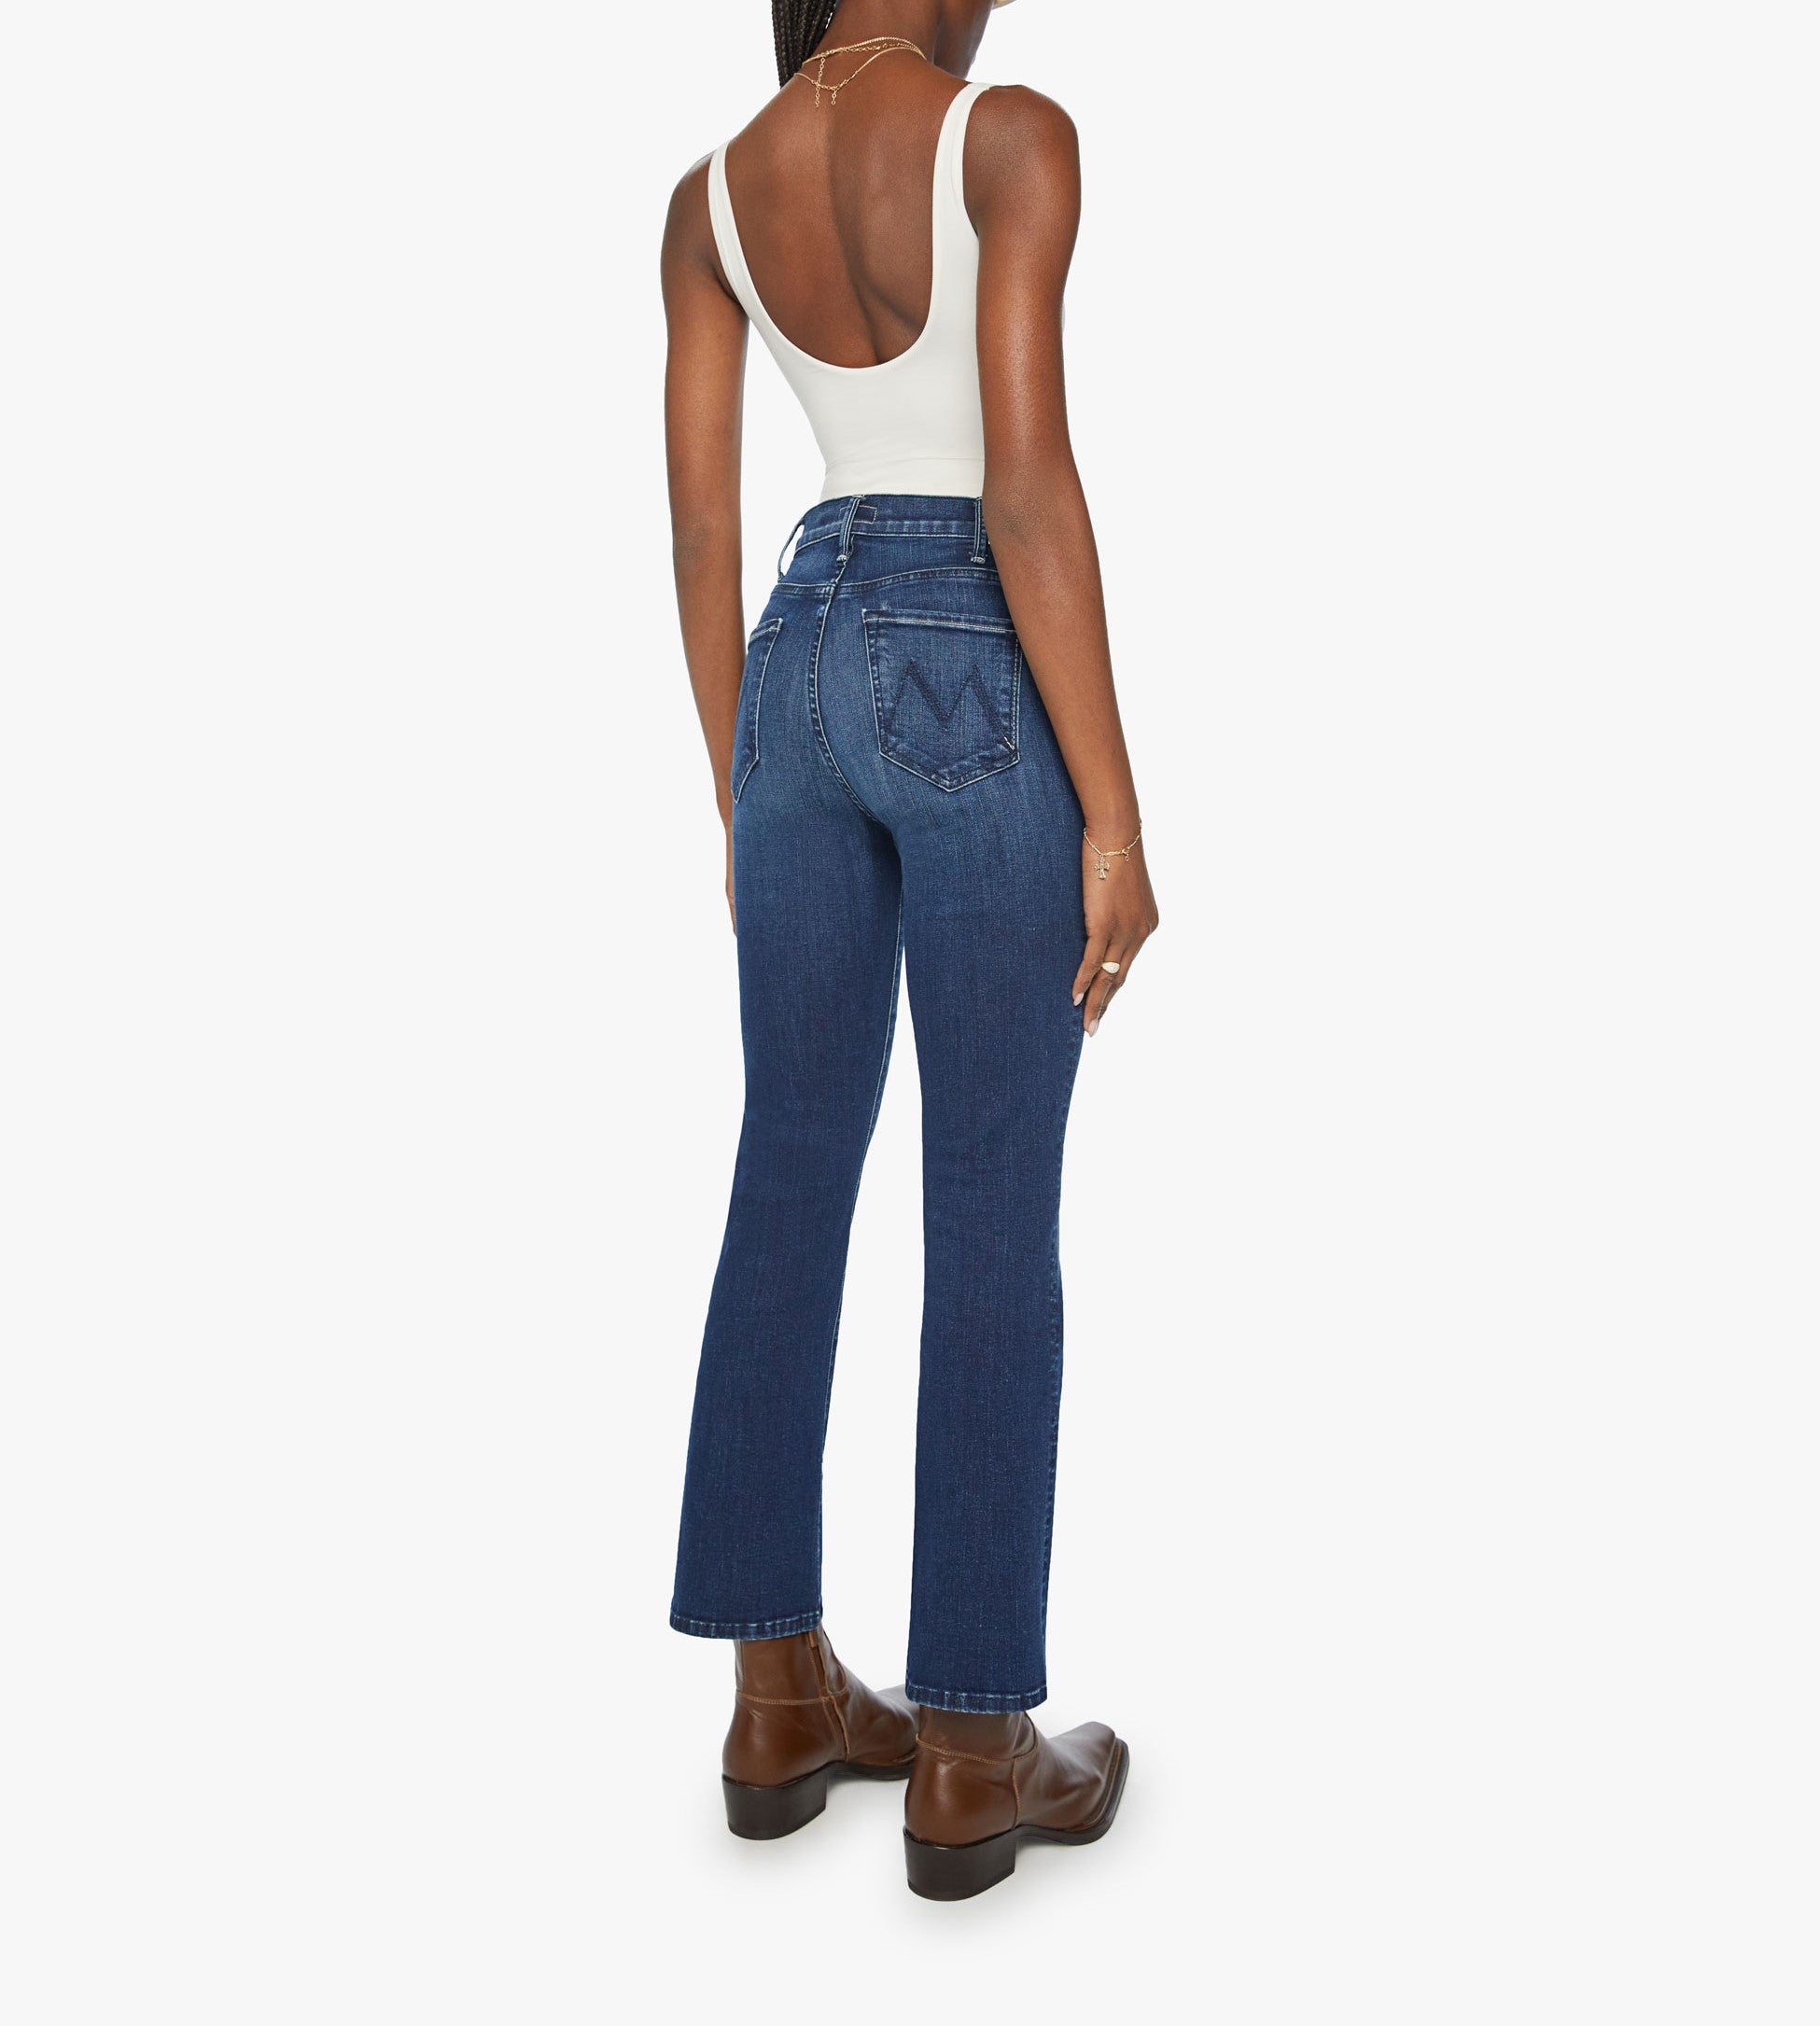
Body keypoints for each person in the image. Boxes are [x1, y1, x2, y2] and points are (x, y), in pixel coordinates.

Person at [661, 0, 1158, 1900]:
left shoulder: (709, 195)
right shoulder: (1006, 133)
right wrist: (1113, 817)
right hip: (966, 642)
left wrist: (742, 785)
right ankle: (968, 1742)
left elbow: (700, 530)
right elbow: (1022, 485)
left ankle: (777, 1698)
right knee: (990, 1196)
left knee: (786, 1172)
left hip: (789, 658)